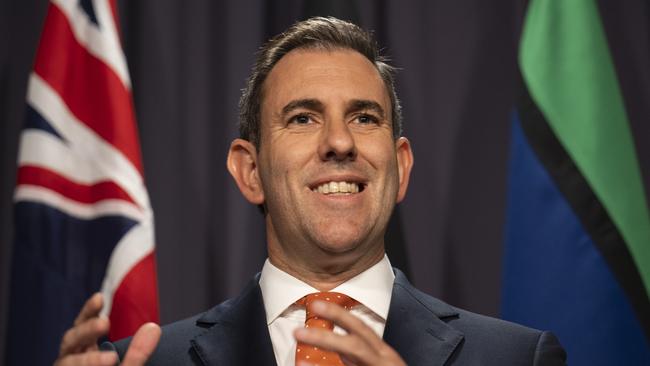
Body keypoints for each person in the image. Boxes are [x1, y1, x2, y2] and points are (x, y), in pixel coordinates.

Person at [54, 17, 567, 366]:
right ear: (249, 170)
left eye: (365, 118)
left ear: (402, 167)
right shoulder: (146, 362)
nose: (340, 142)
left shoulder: (516, 358)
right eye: (302, 118)